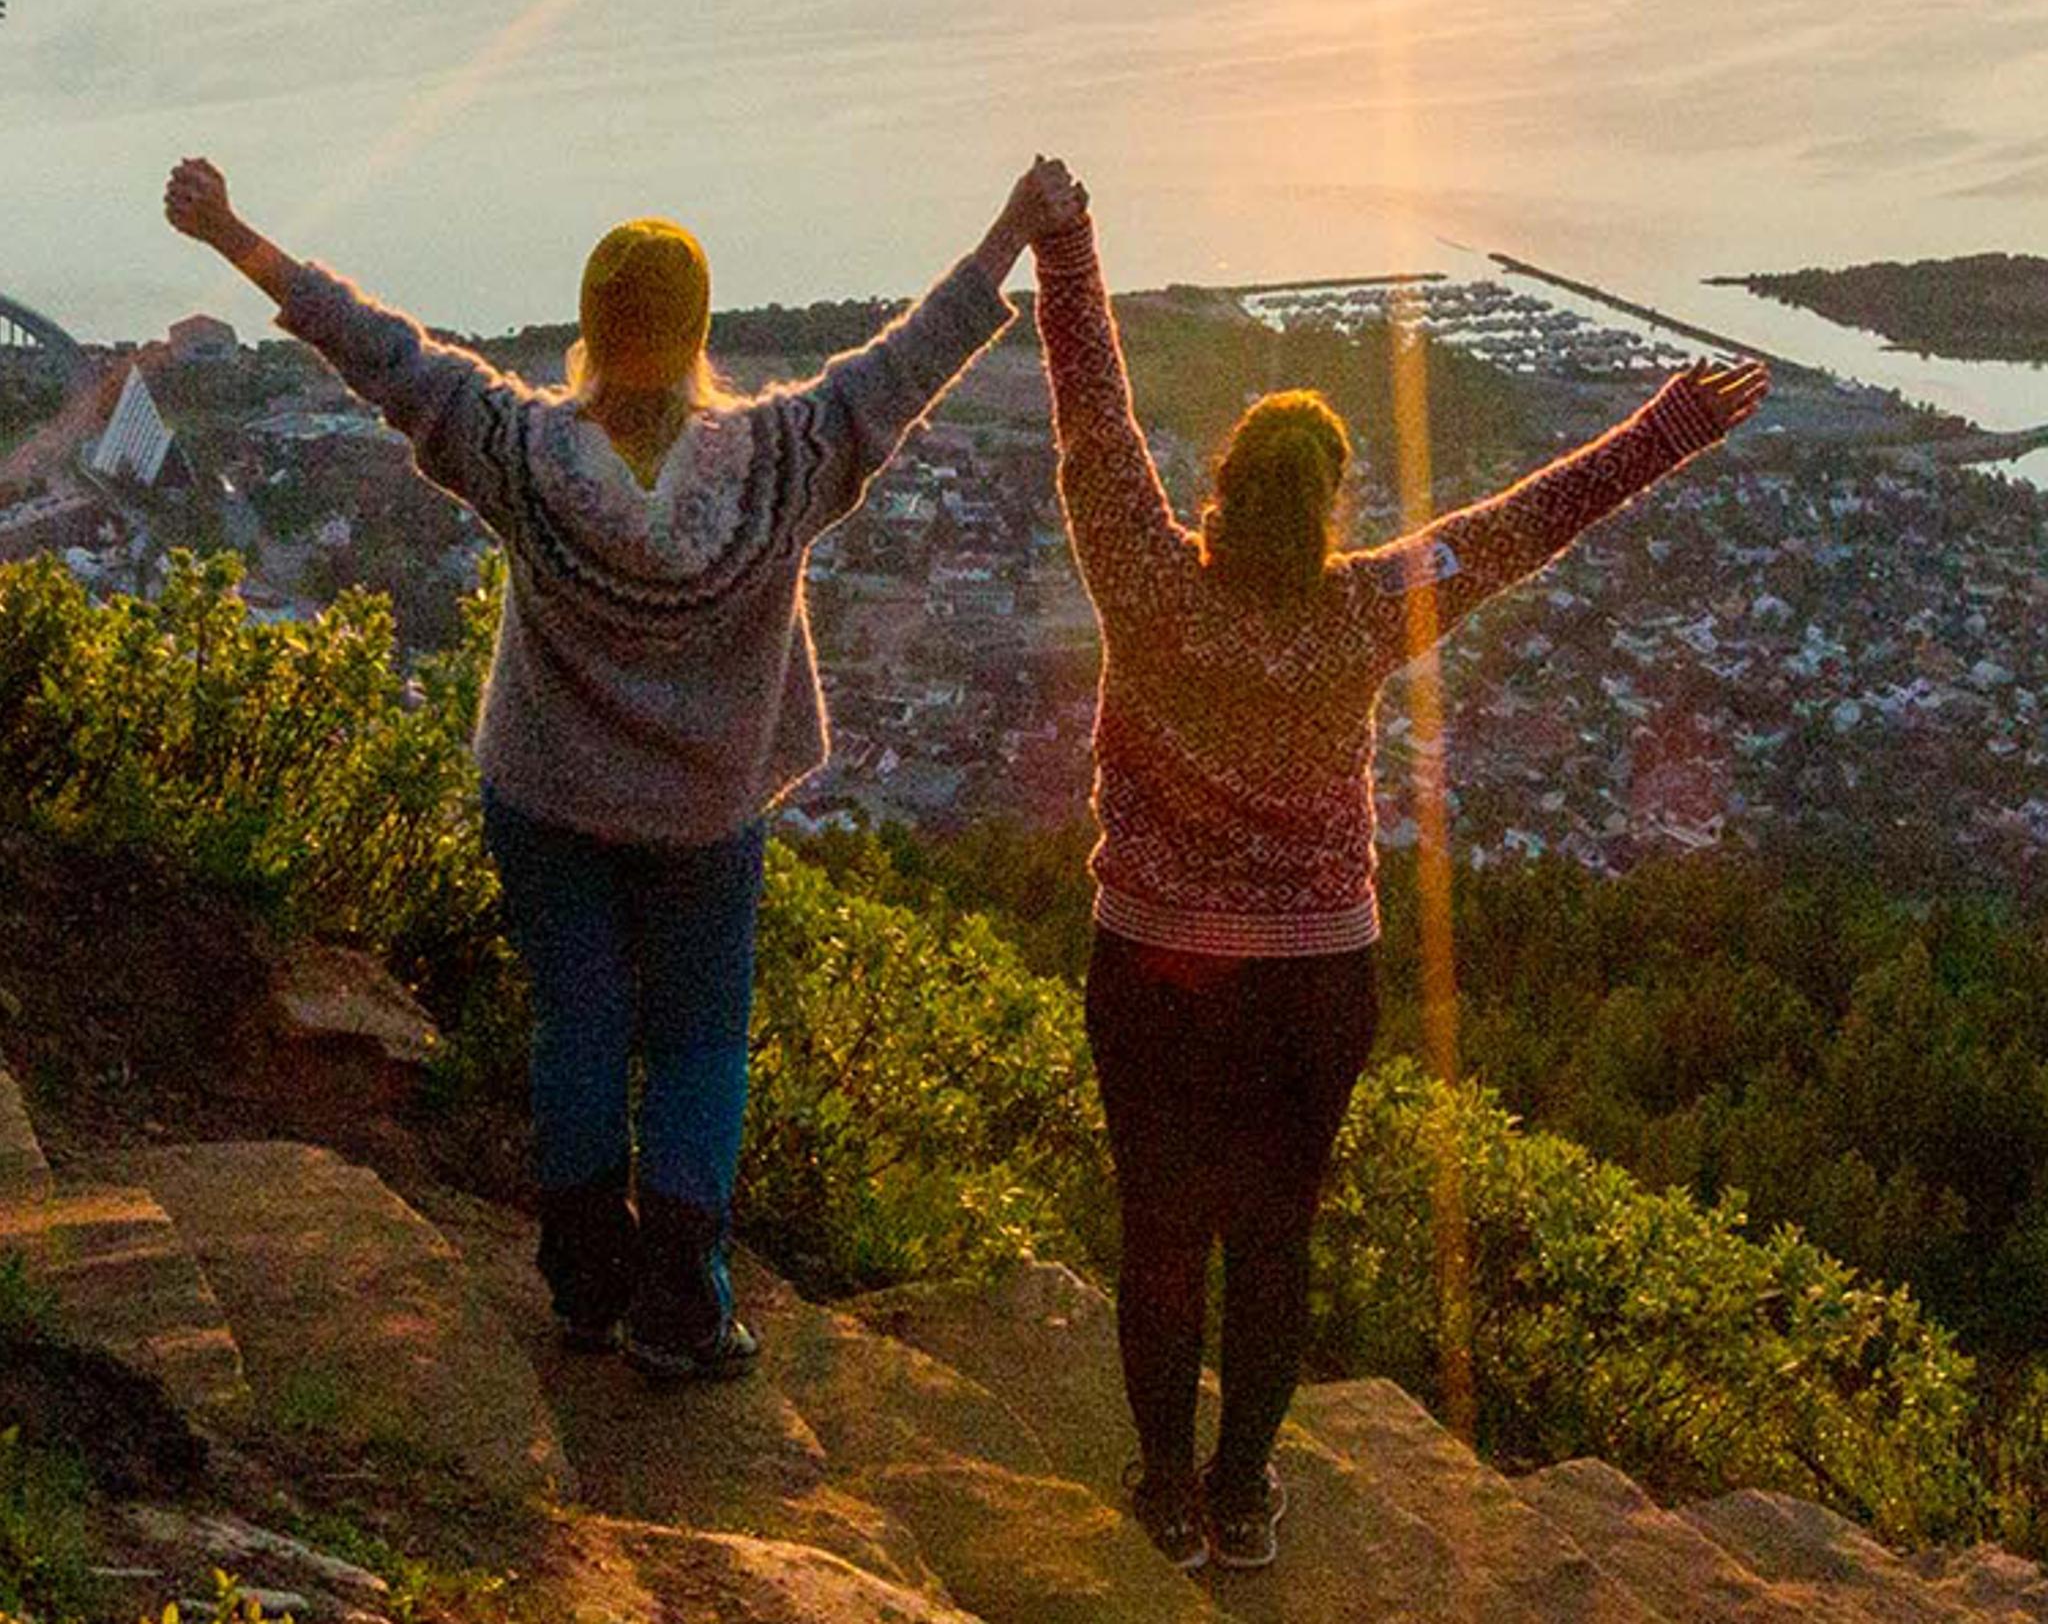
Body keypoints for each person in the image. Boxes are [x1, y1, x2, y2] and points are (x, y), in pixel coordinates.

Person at [164, 152, 1069, 1379]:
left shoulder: (523, 456)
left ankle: (585, 1282)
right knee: (696, 1045)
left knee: (577, 1024)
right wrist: (1012, 227)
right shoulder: (780, 464)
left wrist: (233, 235)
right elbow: (906, 364)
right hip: (704, 816)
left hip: (547, 800)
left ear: (588, 330)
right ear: (701, 330)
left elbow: (379, 353)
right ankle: (682, 1308)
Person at [1027, 167, 1766, 1574]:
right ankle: (1244, 1497)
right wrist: (1669, 426)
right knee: (1275, 1234)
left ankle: (1168, 1495)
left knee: (1163, 1225)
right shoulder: (1370, 601)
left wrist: (1068, 243)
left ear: (1222, 492)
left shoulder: (1143, 572)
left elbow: (1092, 422)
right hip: (1312, 981)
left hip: (1159, 969)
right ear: (1328, 513)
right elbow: (1528, 523)